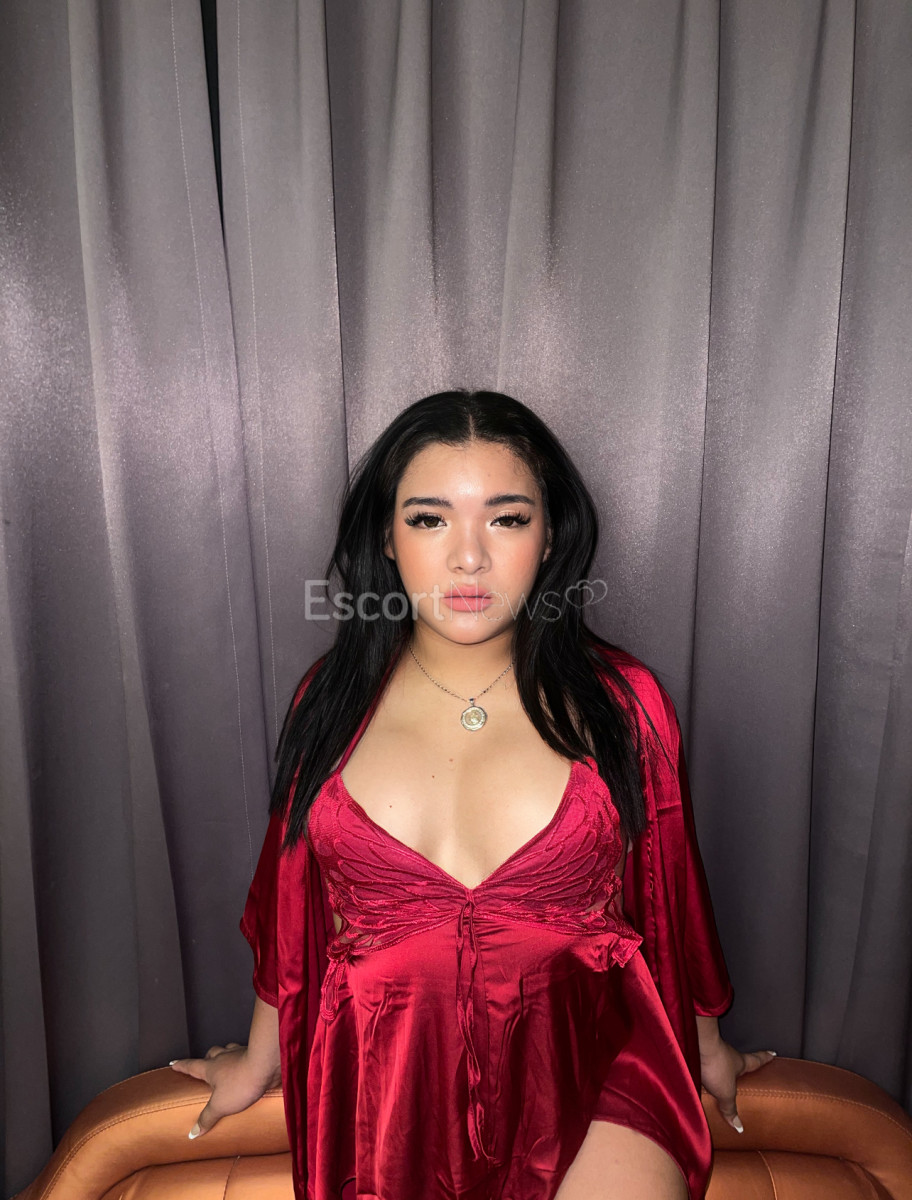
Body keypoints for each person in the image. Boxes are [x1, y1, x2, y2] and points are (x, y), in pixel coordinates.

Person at [170, 390, 775, 1199]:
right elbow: (289, 903)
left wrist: (706, 1048)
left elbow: (674, 891)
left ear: (550, 535)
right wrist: (259, 1057)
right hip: (388, 1085)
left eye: (506, 518)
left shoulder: (625, 705)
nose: (468, 558)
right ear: (386, 539)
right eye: (428, 519)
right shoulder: (330, 702)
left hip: (600, 1071)